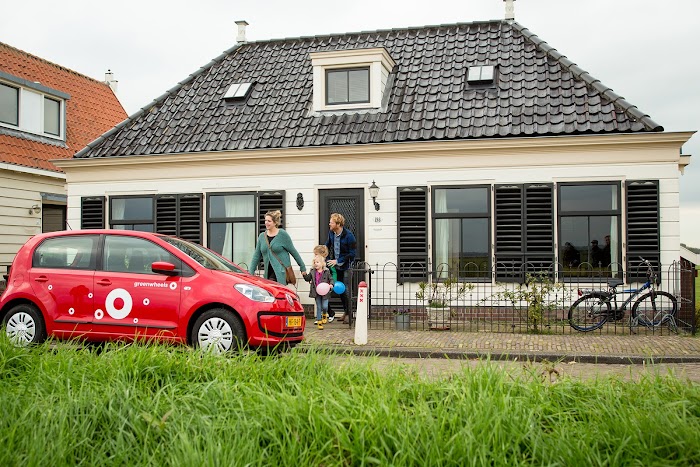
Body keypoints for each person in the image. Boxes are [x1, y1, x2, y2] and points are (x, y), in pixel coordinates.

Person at [249, 210, 306, 284]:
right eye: (265, 220)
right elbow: (256, 256)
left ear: (275, 222)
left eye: (269, 221)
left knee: (275, 291)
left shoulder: (282, 235)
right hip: (267, 273)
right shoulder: (261, 237)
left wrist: (302, 267)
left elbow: (293, 252)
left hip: (280, 272)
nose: (266, 222)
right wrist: (251, 272)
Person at [324, 213, 356, 324]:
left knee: (346, 290)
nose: (329, 224)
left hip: (347, 266)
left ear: (338, 224)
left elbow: (352, 253)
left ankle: (349, 314)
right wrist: (327, 259)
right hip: (336, 266)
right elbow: (326, 246)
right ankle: (345, 312)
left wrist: (338, 260)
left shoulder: (349, 235)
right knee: (340, 290)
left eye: (331, 222)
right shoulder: (331, 233)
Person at [302, 255, 333, 329]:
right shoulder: (312, 271)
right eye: (314, 262)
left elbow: (331, 278)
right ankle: (319, 321)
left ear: (322, 263)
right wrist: (304, 275)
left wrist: (331, 284)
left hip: (325, 291)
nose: (315, 264)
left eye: (317, 262)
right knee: (319, 307)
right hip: (316, 292)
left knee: (325, 306)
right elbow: (308, 278)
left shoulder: (326, 271)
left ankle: (325, 314)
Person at [313, 244, 337, 322]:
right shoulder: (316, 264)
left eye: (316, 254)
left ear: (322, 254)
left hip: (327, 286)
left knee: (325, 301)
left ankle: (331, 313)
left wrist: (332, 283)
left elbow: (334, 273)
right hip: (319, 287)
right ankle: (322, 316)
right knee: (321, 302)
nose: (315, 256)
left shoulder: (328, 263)